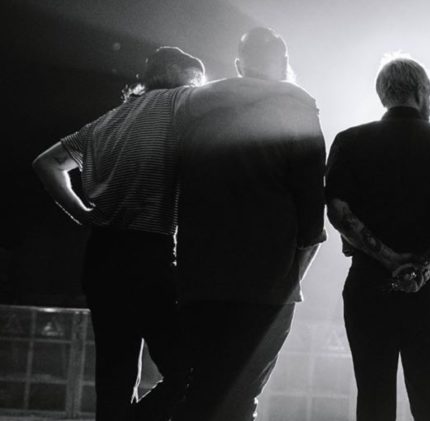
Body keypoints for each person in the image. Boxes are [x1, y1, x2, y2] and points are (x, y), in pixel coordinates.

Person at [31, 46, 203, 421]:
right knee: (189, 373)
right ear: (179, 74)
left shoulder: (106, 122)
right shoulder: (180, 102)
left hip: (101, 254)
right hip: (148, 250)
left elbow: (46, 163)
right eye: (196, 80)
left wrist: (81, 213)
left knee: (115, 375)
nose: (199, 88)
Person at [172, 27, 326, 421]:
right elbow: (312, 210)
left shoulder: (194, 109)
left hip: (199, 275)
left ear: (240, 66)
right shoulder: (297, 107)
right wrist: (292, 277)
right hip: (266, 280)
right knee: (241, 394)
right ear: (284, 63)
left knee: (198, 387)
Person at [325, 55, 430, 421]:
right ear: (421, 91)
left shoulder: (350, 141)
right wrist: (423, 264)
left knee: (373, 400)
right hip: (428, 288)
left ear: (382, 93)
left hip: (369, 286)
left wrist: (389, 259)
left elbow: (338, 211)